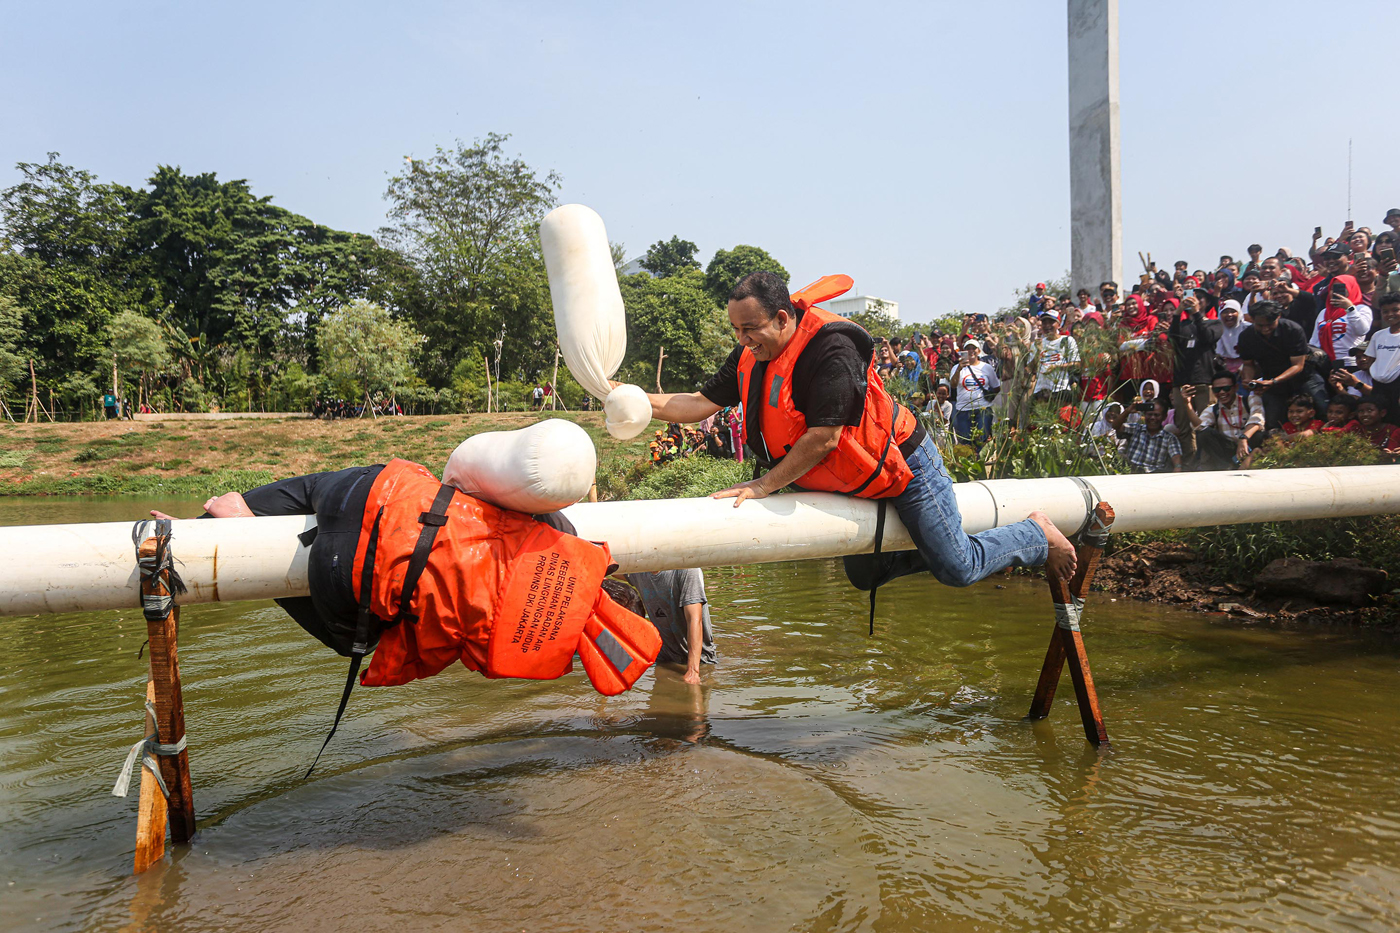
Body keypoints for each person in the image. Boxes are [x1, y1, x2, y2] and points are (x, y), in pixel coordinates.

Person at [148, 461, 660, 758]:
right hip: (343, 580)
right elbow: (426, 651)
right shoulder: (526, 651)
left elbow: (484, 479)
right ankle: (237, 534)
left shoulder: (565, 539)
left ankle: (209, 521)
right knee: (365, 639)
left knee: (317, 491)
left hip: (381, 493)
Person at [626, 272, 1076, 589]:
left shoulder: (832, 349)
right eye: (736, 330)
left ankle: (1035, 533)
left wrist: (764, 485)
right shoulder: (752, 353)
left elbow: (824, 438)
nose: (742, 339)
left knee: (957, 567)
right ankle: (941, 543)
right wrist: (628, 398)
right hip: (854, 480)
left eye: (750, 329)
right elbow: (699, 404)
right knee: (864, 575)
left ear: (783, 318)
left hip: (906, 463)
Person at [1237, 300, 1329, 429]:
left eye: (1269, 324)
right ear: (1252, 319)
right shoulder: (1246, 336)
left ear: (1278, 316)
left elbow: (1298, 365)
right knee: (1273, 421)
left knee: (1323, 408)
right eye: (1260, 325)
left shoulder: (1293, 330)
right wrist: (1248, 379)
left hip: (1303, 377)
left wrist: (1274, 381)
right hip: (1271, 381)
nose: (1265, 329)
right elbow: (1248, 364)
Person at [626, 569, 715, 685]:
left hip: (700, 662)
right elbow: (614, 567)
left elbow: (694, 619)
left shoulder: (687, 570)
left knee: (695, 698)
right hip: (664, 661)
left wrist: (693, 670)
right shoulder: (639, 570)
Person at [1168, 292, 1223, 463]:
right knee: (1184, 426)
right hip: (1182, 381)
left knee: (1205, 424)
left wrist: (1197, 313)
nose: (1195, 300)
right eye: (1192, 297)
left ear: (1206, 302)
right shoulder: (1183, 325)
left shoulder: (1215, 323)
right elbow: (1173, 337)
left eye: (1200, 298)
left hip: (1204, 380)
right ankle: (1189, 462)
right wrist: (1178, 311)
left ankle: (1207, 461)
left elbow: (1207, 337)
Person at [1180, 373, 1265, 470]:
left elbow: (1257, 420)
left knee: (1260, 435)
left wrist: (1243, 438)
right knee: (1204, 434)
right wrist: (1187, 403)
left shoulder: (1249, 399)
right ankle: (1224, 468)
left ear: (1236, 388)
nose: (1221, 392)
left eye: (1226, 388)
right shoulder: (1213, 409)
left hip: (1249, 444)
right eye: (1217, 390)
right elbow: (1199, 427)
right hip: (1228, 450)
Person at [1105, 398, 1182, 473]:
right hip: (1131, 473)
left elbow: (1177, 460)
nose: (1152, 418)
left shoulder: (1169, 438)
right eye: (1149, 414)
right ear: (1145, 415)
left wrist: (1176, 472)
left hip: (1154, 477)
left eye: (1156, 415)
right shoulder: (1136, 429)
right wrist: (1128, 411)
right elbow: (1115, 426)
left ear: (1164, 417)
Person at [950, 339, 1001, 447]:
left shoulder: (986, 367)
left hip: (983, 409)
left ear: (978, 351)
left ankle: (980, 462)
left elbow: (996, 387)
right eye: (968, 349)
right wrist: (959, 369)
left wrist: (989, 397)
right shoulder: (956, 367)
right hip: (963, 409)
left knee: (981, 440)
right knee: (965, 442)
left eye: (974, 348)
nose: (971, 351)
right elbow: (953, 385)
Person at [1310, 275, 1372, 362]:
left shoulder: (1361, 309)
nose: (1335, 292)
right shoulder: (1324, 312)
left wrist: (1349, 308)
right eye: (1332, 288)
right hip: (1325, 363)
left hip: (1349, 362)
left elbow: (1362, 330)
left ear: (1351, 288)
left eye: (1341, 287)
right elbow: (1314, 341)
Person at [1361, 293, 1400, 412]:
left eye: (1395, 310)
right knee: (1382, 416)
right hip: (1379, 385)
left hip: (1397, 383)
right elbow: (1371, 360)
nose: (1390, 314)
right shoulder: (1378, 335)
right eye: (1385, 311)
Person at [1031, 313, 1079, 404]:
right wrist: (1037, 351)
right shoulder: (1037, 343)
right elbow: (1031, 369)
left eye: (1051, 322)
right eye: (1044, 323)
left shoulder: (1067, 340)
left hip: (1061, 390)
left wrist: (1056, 367)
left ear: (1059, 324)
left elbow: (1076, 363)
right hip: (1041, 391)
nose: (1047, 326)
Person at [1214, 299, 1250, 376]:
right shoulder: (1217, 330)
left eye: (1233, 311)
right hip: (1223, 370)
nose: (1229, 315)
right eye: (1225, 312)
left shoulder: (1247, 328)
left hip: (1246, 368)